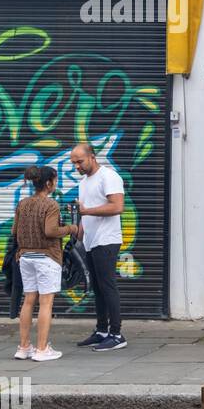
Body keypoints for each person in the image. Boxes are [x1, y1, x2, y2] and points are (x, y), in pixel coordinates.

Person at [10, 165, 78, 362]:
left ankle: (23, 348)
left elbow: (14, 231)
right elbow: (50, 231)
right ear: (48, 183)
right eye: (55, 180)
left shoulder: (22, 203)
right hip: (47, 257)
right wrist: (71, 228)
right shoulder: (51, 205)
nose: (56, 183)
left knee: (28, 300)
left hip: (25, 257)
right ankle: (41, 349)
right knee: (46, 303)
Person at [71, 143, 127, 352]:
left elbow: (117, 206)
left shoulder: (109, 177)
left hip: (107, 240)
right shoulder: (84, 182)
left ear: (92, 157)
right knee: (97, 287)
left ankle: (117, 334)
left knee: (107, 286)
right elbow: (84, 212)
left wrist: (86, 212)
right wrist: (79, 231)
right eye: (74, 163)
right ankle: (102, 330)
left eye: (80, 161)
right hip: (91, 241)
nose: (77, 166)